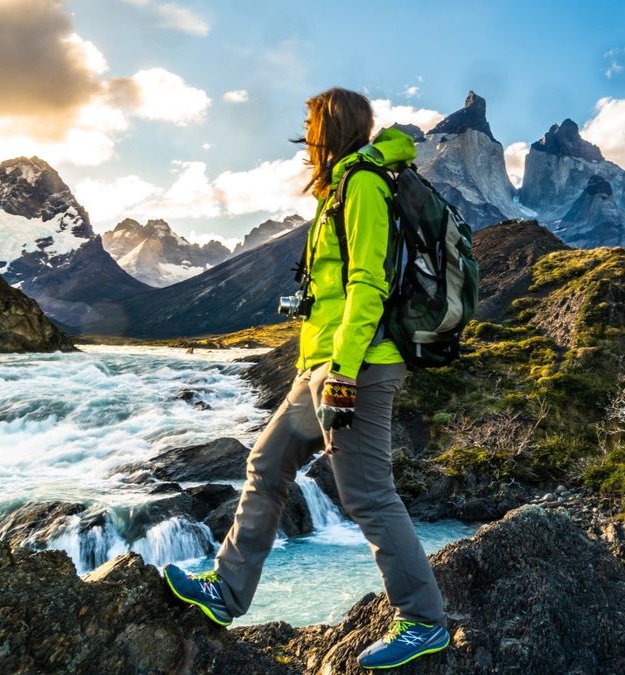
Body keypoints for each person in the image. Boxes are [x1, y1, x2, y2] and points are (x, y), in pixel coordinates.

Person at [162, 87, 450, 670]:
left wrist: (342, 373)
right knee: (266, 466)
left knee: (367, 495)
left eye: (311, 126)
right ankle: (227, 590)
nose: (306, 138)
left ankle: (424, 621)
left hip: (357, 367)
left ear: (331, 128)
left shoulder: (364, 186)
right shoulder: (341, 187)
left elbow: (369, 285)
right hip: (318, 368)